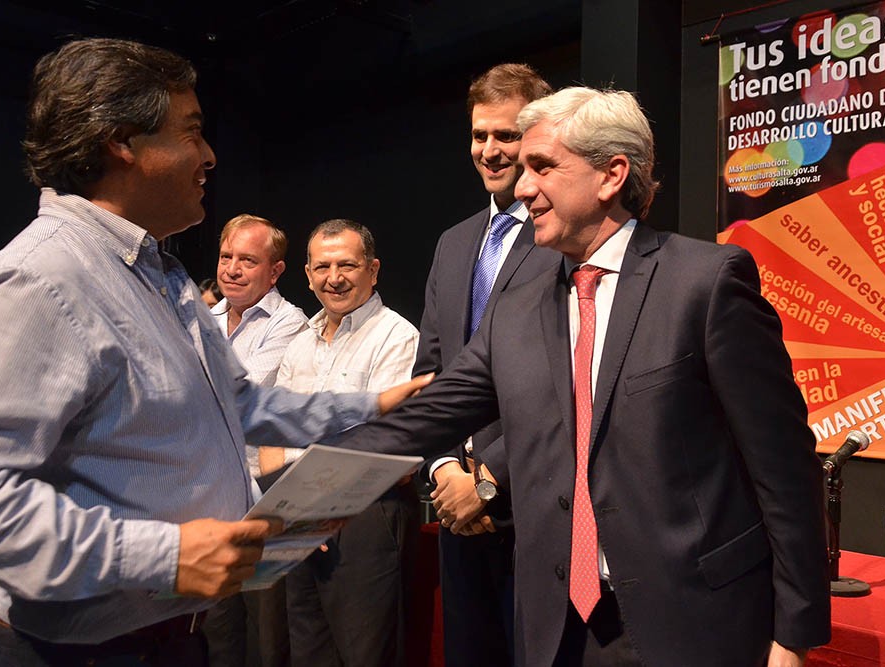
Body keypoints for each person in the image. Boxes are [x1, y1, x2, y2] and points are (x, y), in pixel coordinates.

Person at [0, 37, 428, 667]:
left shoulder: (160, 274)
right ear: (122, 142)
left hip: (170, 635)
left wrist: (371, 405)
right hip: (75, 653)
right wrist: (166, 554)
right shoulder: (38, 284)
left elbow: (237, 403)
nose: (209, 155)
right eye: (192, 131)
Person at [333, 86, 830, 666]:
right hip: (555, 631)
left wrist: (794, 633)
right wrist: (307, 491)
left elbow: (783, 466)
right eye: (523, 170)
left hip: (693, 625)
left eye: (542, 167)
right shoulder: (515, 308)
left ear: (611, 175)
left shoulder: (706, 282)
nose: (523, 188)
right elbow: (430, 414)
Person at [413, 62, 558, 667]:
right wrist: (446, 467)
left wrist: (488, 480)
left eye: (507, 135)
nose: (490, 151)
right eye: (480, 135)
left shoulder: (561, 238)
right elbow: (432, 373)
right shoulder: (453, 242)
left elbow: (564, 382)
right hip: (456, 511)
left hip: (535, 509)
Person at [258, 219, 420, 667]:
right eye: (323, 267)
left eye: (347, 265)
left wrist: (314, 506)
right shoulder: (300, 343)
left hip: (365, 516)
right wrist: (288, 510)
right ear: (307, 275)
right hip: (295, 519)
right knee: (306, 653)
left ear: (373, 270)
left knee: (365, 656)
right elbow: (273, 435)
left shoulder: (396, 337)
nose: (335, 278)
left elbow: (390, 445)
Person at [202, 213, 307, 667]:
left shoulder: (289, 323)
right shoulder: (202, 318)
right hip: (204, 500)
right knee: (217, 636)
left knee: (265, 640)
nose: (232, 269)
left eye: (247, 260)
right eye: (226, 256)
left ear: (275, 270)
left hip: (258, 502)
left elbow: (240, 395)